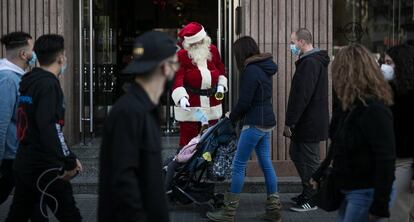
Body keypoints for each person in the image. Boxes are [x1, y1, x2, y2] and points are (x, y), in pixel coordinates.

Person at [98, 31, 178, 222]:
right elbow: (124, 183)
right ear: (165, 68)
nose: (177, 70)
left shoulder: (146, 109)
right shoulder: (130, 112)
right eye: (175, 63)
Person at [311, 43, 395, 222]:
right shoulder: (351, 107)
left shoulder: (373, 110)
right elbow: (337, 145)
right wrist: (320, 172)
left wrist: (380, 206)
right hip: (349, 191)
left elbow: (385, 159)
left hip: (365, 192)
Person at [6, 34, 82, 221]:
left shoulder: (29, 81)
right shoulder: (48, 85)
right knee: (69, 214)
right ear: (60, 57)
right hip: (45, 166)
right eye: (65, 54)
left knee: (19, 213)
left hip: (25, 161)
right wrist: (69, 160)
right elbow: (51, 127)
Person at [206, 36, 281, 222]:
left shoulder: (250, 70)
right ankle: (274, 210)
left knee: (238, 165)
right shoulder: (264, 66)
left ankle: (228, 212)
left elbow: (245, 102)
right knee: (266, 163)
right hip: (267, 122)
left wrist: (231, 117)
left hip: (254, 123)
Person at [283, 28, 330, 211]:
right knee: (296, 153)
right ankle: (308, 190)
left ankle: (314, 197)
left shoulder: (310, 63)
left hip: (309, 122)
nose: (292, 46)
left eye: (293, 42)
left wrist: (290, 122)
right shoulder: (309, 61)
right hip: (306, 121)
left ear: (302, 42)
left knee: (310, 160)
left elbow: (301, 96)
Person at [172, 22, 227, 147]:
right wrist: (181, 97)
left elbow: (220, 68)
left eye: (199, 42)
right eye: (193, 44)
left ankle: (209, 166)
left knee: (211, 142)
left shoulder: (212, 50)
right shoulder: (181, 55)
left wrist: (221, 85)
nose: (197, 45)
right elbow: (178, 76)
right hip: (192, 104)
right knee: (189, 143)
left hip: (212, 103)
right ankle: (186, 165)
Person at [0, 32, 36, 204]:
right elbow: (1, 122)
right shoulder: (7, 80)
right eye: (32, 49)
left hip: (16, 153)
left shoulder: (16, 77)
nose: (34, 54)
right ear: (23, 54)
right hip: (8, 157)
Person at [384, 44, 414, 222]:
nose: (385, 66)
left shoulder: (409, 96)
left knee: (398, 214)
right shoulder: (391, 91)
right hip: (393, 160)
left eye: (389, 62)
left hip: (405, 163)